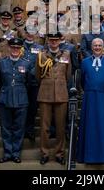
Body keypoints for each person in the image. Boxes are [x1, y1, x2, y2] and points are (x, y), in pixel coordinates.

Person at [77, 38, 104, 165]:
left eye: (99, 45)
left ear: (103, 46)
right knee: (90, 126)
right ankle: (88, 156)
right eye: (95, 45)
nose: (97, 47)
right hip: (90, 99)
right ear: (91, 47)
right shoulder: (84, 62)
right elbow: (82, 80)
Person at [35, 32, 72, 165]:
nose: (54, 42)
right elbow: (38, 75)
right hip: (45, 93)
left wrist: (59, 84)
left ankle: (59, 153)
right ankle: (44, 153)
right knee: (44, 127)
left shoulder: (66, 55)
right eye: (51, 40)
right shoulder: (41, 55)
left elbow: (68, 75)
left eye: (56, 40)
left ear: (60, 41)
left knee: (60, 127)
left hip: (61, 94)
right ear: (48, 41)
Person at [0, 38, 32, 163]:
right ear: (9, 48)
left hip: (21, 99)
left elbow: (29, 82)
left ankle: (16, 153)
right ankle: (7, 153)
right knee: (6, 127)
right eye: (13, 47)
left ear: (21, 49)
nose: (15, 50)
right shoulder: (2, 63)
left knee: (19, 127)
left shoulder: (27, 63)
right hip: (5, 97)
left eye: (17, 48)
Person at [22, 26, 44, 142]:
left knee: (32, 107)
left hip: (35, 82)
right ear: (25, 33)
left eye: (32, 32)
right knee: (21, 106)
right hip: (21, 82)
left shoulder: (40, 48)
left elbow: (42, 64)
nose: (30, 34)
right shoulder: (18, 46)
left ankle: (29, 130)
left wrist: (32, 74)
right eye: (28, 32)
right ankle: (20, 130)